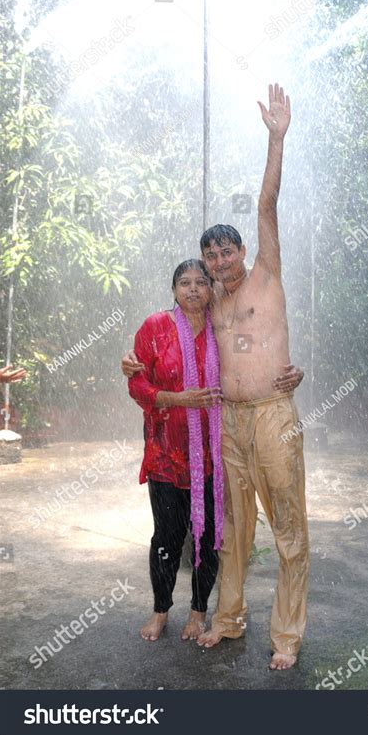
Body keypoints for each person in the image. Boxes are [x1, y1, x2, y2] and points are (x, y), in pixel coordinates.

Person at [124, 83, 309, 670]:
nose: (221, 262)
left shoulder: (265, 278)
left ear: (242, 252)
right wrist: (136, 365)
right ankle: (229, 618)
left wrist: (276, 138)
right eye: (212, 257)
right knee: (232, 531)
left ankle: (287, 637)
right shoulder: (210, 310)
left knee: (288, 531)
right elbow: (161, 358)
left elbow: (266, 205)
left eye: (228, 252)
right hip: (230, 425)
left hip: (273, 419)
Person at [128, 259, 223, 643]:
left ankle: (199, 612)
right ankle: (161, 610)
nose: (194, 290)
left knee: (207, 537)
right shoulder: (155, 328)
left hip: (214, 457)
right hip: (167, 456)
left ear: (211, 289)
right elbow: (137, 386)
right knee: (166, 539)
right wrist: (178, 399)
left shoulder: (223, 328)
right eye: (185, 283)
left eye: (201, 282)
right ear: (173, 290)